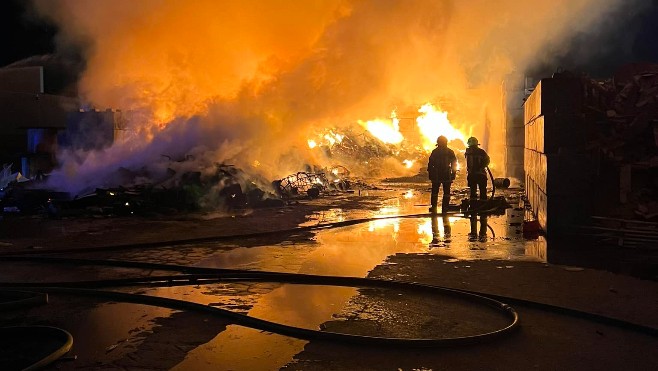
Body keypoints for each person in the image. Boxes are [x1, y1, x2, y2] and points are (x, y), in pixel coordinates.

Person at [427, 135, 457, 214]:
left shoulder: (435, 151)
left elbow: (430, 163)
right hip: (446, 174)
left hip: (437, 175)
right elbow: (454, 164)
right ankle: (445, 207)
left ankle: (434, 207)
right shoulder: (450, 152)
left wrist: (430, 173)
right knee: (446, 192)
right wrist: (453, 173)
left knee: (435, 192)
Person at [465, 136, 490, 201]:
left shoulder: (468, 152)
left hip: (472, 175)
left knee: (473, 192)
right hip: (481, 175)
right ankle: (483, 206)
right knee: (482, 191)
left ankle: (473, 206)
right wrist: (482, 166)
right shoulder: (481, 151)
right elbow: (487, 160)